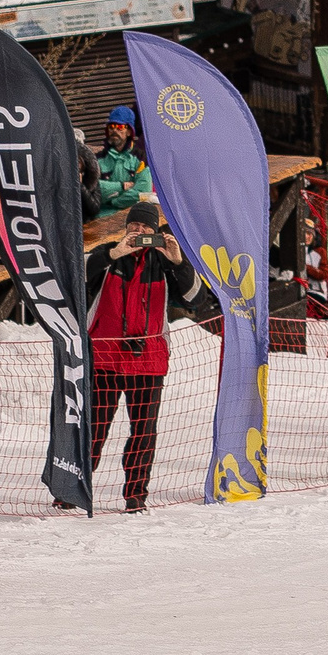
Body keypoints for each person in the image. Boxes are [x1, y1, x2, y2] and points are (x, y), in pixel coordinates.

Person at [87, 201, 195, 513]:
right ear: (126, 228)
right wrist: (113, 254)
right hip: (105, 358)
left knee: (144, 432)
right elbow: (76, 278)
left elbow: (194, 298)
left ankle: (136, 495)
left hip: (148, 360)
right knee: (94, 428)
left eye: (146, 227)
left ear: (155, 231)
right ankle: (74, 490)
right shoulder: (108, 253)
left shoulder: (165, 261)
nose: (139, 231)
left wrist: (178, 262)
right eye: (134, 225)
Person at [91, 105, 153, 216]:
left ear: (129, 131)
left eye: (120, 127)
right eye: (111, 127)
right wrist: (121, 186)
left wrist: (113, 201)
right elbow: (92, 189)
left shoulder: (140, 158)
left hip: (132, 217)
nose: (114, 130)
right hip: (101, 218)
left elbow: (143, 192)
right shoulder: (97, 160)